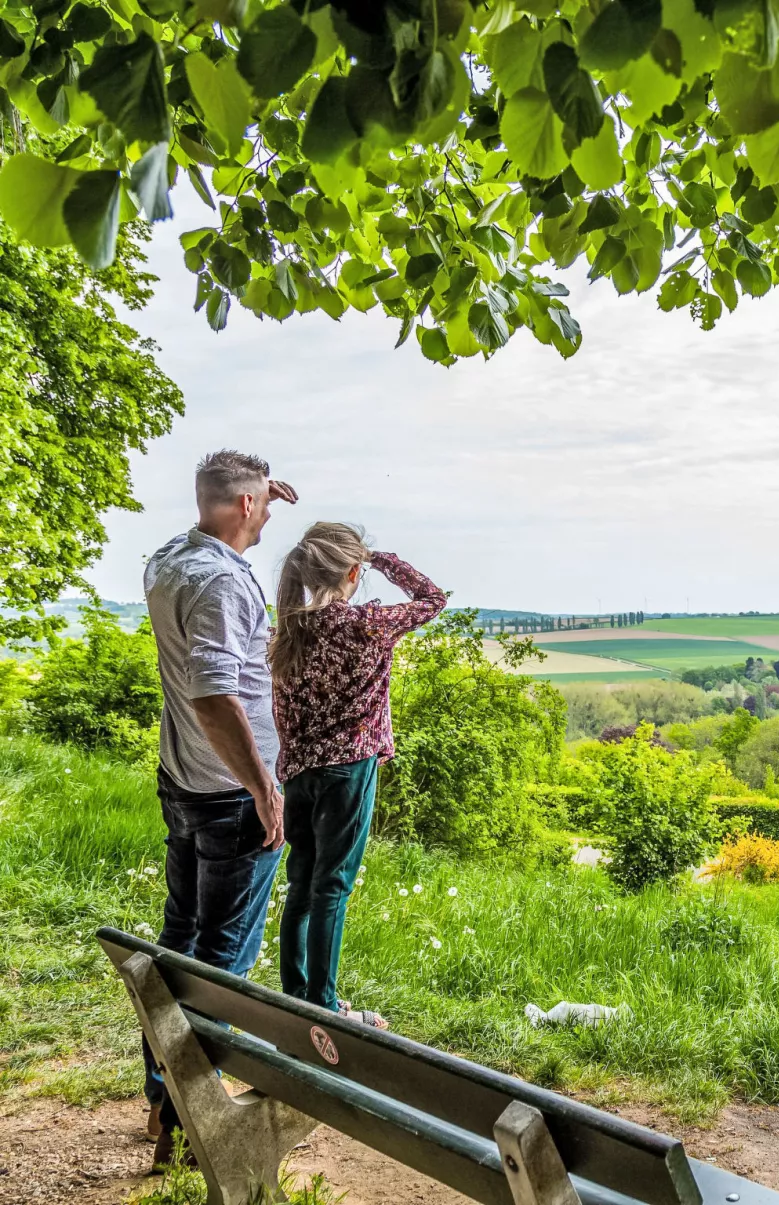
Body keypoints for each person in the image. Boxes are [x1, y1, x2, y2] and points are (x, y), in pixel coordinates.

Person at [142, 450, 297, 1168]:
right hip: (230, 795)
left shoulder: (172, 559)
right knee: (219, 963)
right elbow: (211, 693)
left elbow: (224, 520)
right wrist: (266, 788)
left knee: (178, 946)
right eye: (262, 502)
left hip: (182, 783)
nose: (268, 511)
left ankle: (161, 1097)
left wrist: (261, 494)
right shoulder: (222, 584)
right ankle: (189, 1121)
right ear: (242, 507)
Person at [269, 522, 446, 1026]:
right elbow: (432, 599)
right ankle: (322, 1006)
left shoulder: (288, 630)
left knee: (300, 884)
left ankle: (296, 994)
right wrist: (383, 559)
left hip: (299, 772)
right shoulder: (366, 624)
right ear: (352, 571)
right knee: (332, 886)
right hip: (350, 768)